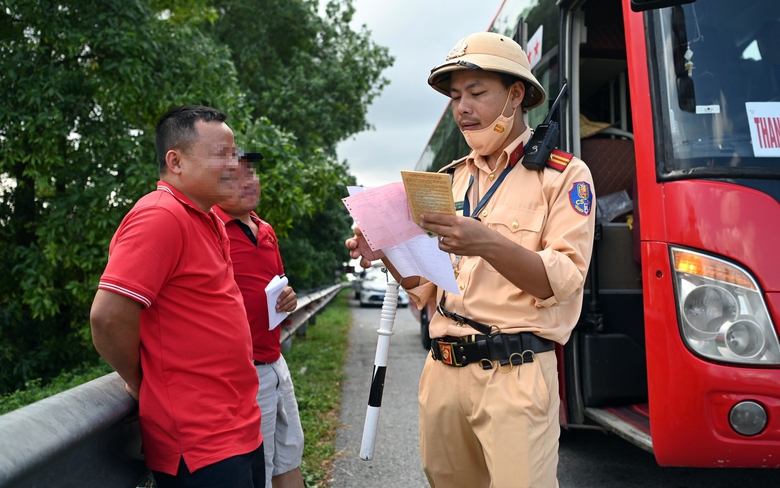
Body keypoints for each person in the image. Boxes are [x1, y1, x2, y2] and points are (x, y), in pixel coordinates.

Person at [346, 32, 595, 487]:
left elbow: (562, 281)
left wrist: (486, 242)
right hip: (441, 373)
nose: (463, 107)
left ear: (515, 94)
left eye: (477, 93)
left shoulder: (563, 175)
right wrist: (387, 252)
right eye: (456, 96)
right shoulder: (451, 179)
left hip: (515, 372)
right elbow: (424, 288)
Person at [90, 105, 264, 488]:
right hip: (200, 442)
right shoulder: (160, 216)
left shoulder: (207, 217)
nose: (234, 165)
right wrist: (143, 382)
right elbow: (107, 318)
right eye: (221, 154)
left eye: (234, 153)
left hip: (240, 427)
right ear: (176, 162)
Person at [214, 150, 305, 488]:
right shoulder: (211, 229)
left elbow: (276, 286)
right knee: (260, 469)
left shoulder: (265, 229)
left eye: (251, 173)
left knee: (290, 455)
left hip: (275, 360)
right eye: (235, 177)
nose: (249, 182)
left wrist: (289, 298)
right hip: (243, 372)